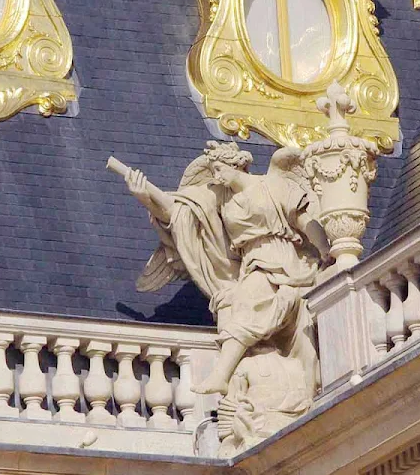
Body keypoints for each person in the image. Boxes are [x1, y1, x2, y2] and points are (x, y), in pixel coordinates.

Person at [123, 141, 328, 396]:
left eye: (219, 169)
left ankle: (221, 375)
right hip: (252, 263)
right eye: (213, 171)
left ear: (235, 164)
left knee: (245, 300)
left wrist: (327, 252)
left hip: (282, 261)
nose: (216, 176)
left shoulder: (273, 184)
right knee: (231, 300)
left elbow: (306, 222)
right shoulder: (222, 197)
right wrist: (146, 197)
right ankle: (236, 378)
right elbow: (181, 213)